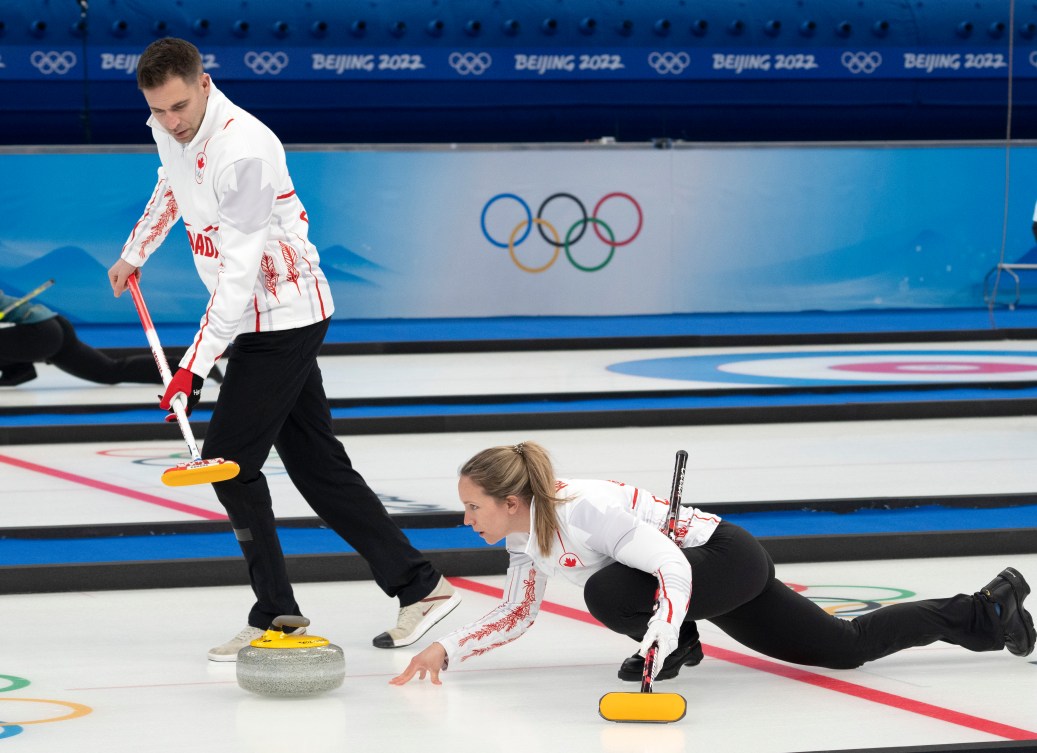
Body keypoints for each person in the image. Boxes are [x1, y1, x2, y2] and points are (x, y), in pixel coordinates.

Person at [106, 37, 459, 661]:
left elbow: (240, 279)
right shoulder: (171, 127)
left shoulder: (245, 151)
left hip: (280, 316)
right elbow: (170, 186)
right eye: (158, 111)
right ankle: (421, 587)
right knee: (318, 467)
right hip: (255, 317)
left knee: (228, 462)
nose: (170, 122)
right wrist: (136, 250)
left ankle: (276, 611)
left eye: (179, 107)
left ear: (205, 83)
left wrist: (193, 365)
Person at [390, 441, 1036, 686]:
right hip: (698, 575)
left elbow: (670, 568)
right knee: (841, 649)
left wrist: (662, 635)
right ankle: (985, 611)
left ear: (510, 500)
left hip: (724, 556)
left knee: (610, 591)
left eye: (471, 506)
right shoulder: (524, 539)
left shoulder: (583, 509)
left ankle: (676, 648)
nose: (465, 519)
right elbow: (516, 611)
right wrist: (446, 649)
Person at [0, 287, 165, 387]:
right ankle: (178, 371)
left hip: (42, 333)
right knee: (109, 372)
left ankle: (19, 368)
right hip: (53, 326)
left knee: (110, 371)